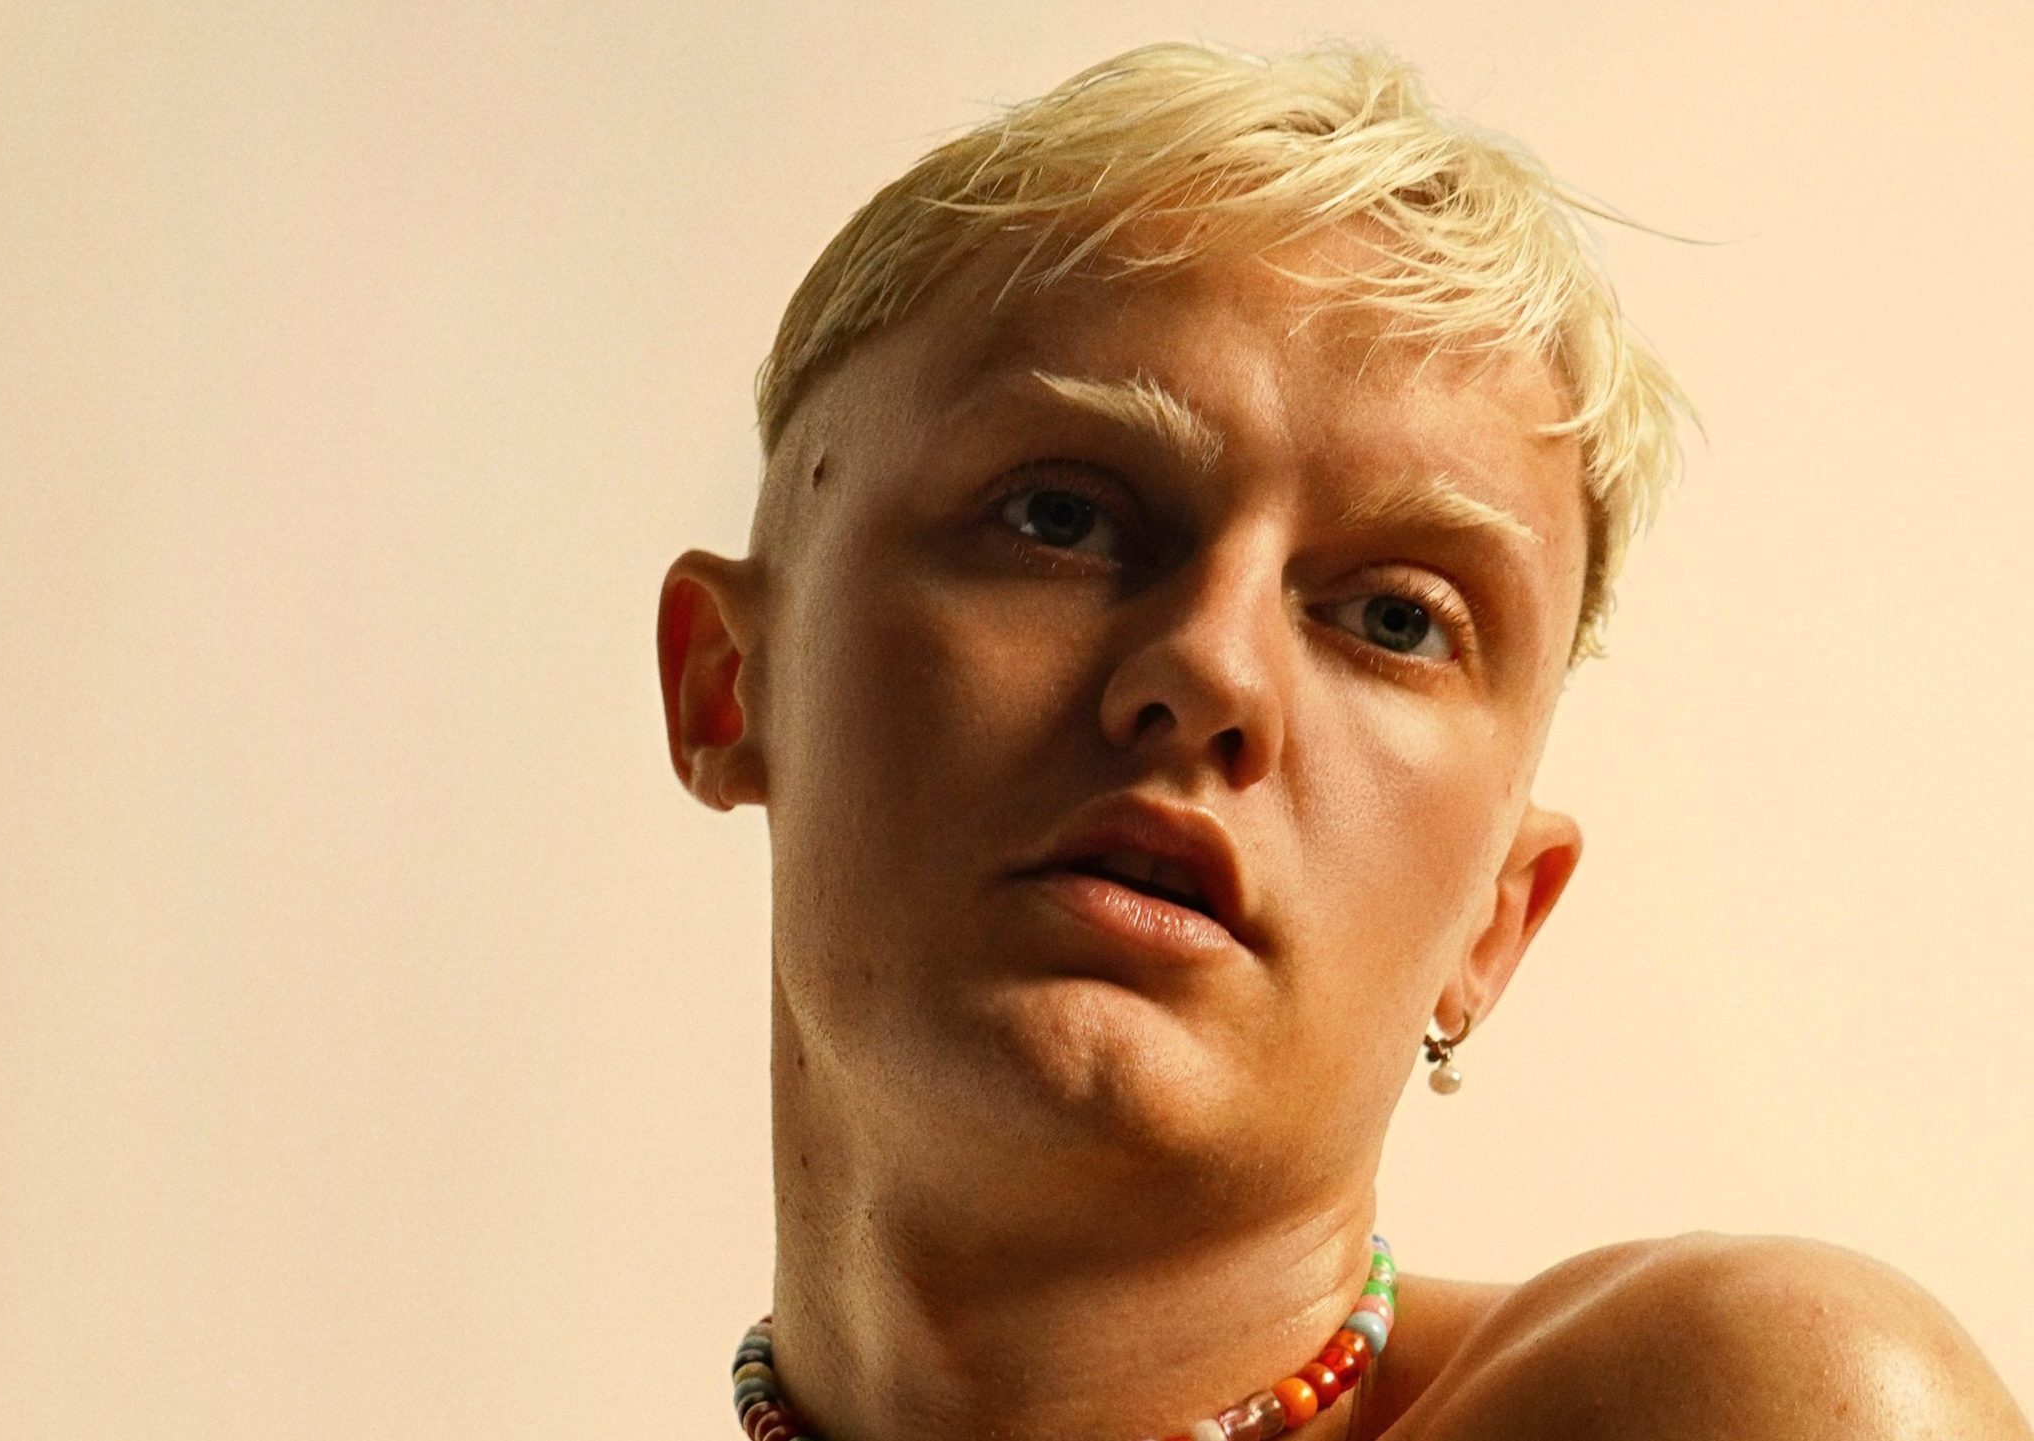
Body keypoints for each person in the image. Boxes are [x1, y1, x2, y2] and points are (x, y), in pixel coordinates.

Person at [653, 37, 2029, 1441]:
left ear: (1498, 922)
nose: (1211, 668)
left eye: (1396, 618)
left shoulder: (1765, 1400)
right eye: (1062, 517)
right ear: (726, 683)